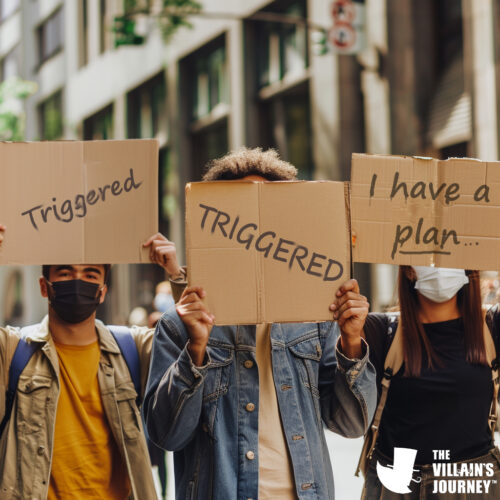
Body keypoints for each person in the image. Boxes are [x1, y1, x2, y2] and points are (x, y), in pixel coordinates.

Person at [143, 148, 377, 499]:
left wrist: (352, 343)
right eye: (241, 217)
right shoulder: (180, 327)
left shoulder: (314, 320)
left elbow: (351, 424)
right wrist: (195, 350)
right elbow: (165, 435)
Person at [0, 224, 183, 500]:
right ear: (44, 286)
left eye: (90, 274)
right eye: (65, 272)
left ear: (102, 290)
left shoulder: (133, 348)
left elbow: (195, 342)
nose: (77, 281)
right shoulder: (13, 351)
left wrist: (177, 275)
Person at [361, 265, 500, 499]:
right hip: (398, 483)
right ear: (408, 268)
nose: (440, 265)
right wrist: (349, 340)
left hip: (473, 482)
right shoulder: (379, 330)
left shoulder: (491, 325)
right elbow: (345, 421)